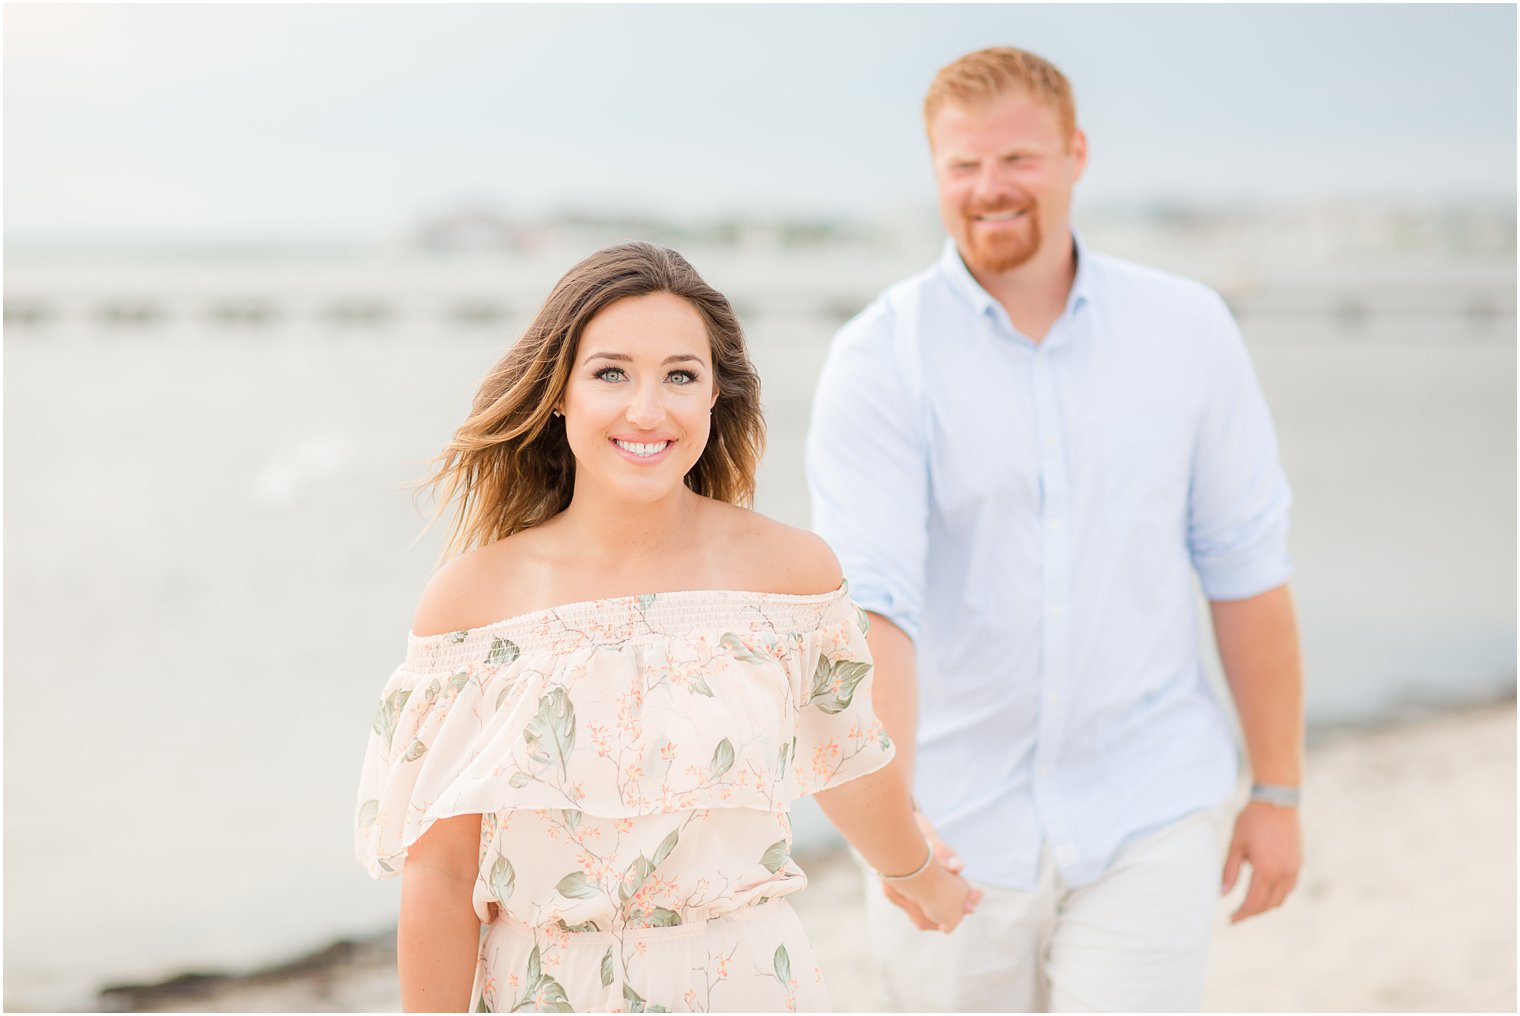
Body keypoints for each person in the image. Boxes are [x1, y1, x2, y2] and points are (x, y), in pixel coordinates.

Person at [805, 47, 1304, 1012]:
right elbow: (876, 610)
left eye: (1019, 159)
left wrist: (1276, 792)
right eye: (962, 166)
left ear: (1076, 153)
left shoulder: (1189, 331)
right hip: (953, 816)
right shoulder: (879, 356)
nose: (990, 188)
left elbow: (1245, 567)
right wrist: (895, 824)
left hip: (1151, 799)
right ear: (936, 173)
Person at [355, 241, 978, 1013]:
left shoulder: (788, 576)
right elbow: (442, 876)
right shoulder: (473, 606)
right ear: (560, 392)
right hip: (545, 993)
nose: (647, 411)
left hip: (745, 983)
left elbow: (849, 759)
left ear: (715, 397)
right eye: (611, 373)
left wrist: (915, 872)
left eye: (680, 376)